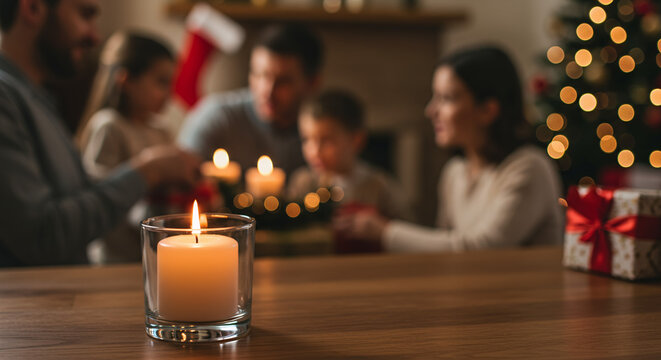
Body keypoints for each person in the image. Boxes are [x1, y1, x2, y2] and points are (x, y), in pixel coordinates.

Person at [0, 0, 200, 266]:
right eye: (85, 14)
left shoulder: (36, 100)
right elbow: (41, 236)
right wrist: (148, 172)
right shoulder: (5, 99)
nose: (96, 36)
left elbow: (80, 198)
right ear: (33, 8)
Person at [334, 46, 564, 252]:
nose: (431, 111)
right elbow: (445, 245)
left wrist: (385, 232)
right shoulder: (454, 172)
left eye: (446, 98)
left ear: (488, 110)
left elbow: (483, 249)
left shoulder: (529, 168)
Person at [77, 32, 176, 263]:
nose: (168, 93)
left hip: (154, 254)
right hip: (115, 258)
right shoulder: (109, 126)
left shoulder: (161, 130)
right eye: (161, 82)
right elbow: (98, 192)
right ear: (126, 80)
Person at [177, 23, 323, 176]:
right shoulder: (218, 117)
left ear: (312, 83)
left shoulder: (323, 132)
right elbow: (179, 176)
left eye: (283, 81)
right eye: (260, 75)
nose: (267, 90)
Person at [288, 89, 411, 221]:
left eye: (326, 140)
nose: (315, 151)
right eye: (306, 139)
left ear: (356, 140)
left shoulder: (380, 189)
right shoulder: (302, 184)